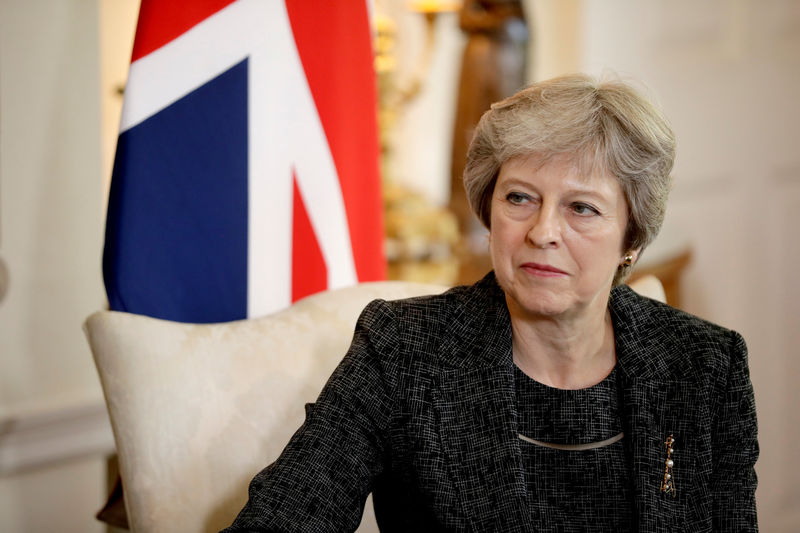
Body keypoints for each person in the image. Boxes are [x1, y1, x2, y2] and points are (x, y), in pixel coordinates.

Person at [224, 74, 758, 532]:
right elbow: (284, 516)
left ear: (632, 239)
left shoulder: (706, 365)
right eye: (520, 197)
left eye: (582, 208)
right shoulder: (402, 350)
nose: (543, 231)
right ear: (489, 209)